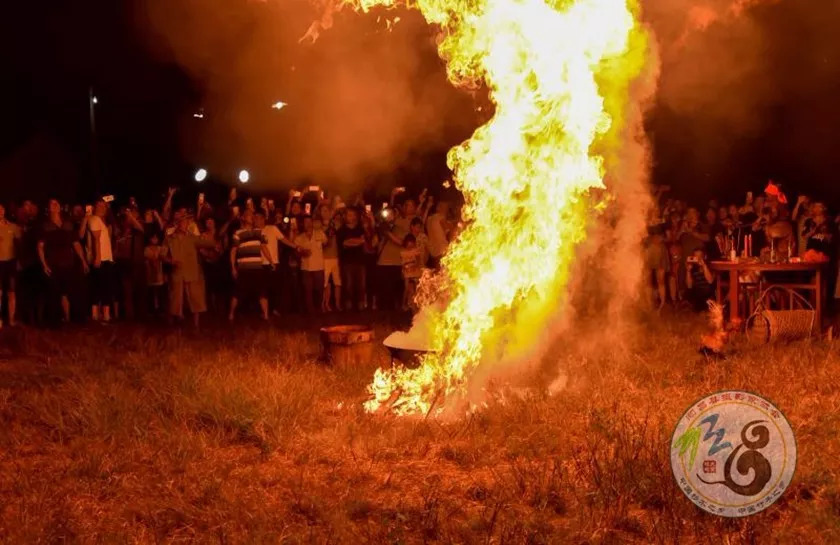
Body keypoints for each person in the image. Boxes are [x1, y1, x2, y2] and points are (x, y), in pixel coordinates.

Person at [37, 199, 88, 324]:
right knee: (54, 294)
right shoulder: (45, 225)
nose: (55, 205)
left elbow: (76, 244)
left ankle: (72, 320)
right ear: (49, 208)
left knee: (71, 292)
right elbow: (40, 246)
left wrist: (83, 261)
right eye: (52, 204)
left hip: (68, 263)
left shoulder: (68, 224)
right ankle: (54, 322)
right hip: (53, 263)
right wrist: (44, 264)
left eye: (57, 203)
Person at [164, 213, 216, 328]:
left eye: (187, 222)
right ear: (177, 224)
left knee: (196, 299)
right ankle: (173, 327)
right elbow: (162, 255)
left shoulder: (192, 238)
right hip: (177, 273)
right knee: (175, 301)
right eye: (183, 222)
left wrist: (211, 232)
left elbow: (210, 244)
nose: (186, 224)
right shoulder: (170, 239)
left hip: (191, 273)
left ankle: (196, 326)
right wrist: (171, 261)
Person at [229, 209, 271, 321]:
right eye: (248, 215)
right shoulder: (238, 233)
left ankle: (266, 316)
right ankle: (231, 315)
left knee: (262, 292)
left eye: (252, 215)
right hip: (244, 269)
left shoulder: (259, 232)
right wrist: (233, 267)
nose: (251, 217)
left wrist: (271, 261)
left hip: (257, 268)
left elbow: (264, 247)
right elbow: (233, 251)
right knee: (237, 293)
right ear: (243, 218)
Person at [376, 197, 417, 310]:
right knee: (385, 290)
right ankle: (385, 314)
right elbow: (398, 241)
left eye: (392, 213)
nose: (389, 215)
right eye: (387, 213)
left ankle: (396, 312)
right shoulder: (384, 225)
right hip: (384, 262)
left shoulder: (405, 222)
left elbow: (406, 242)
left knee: (397, 289)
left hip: (399, 261)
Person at [84, 200, 116, 322]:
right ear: (95, 207)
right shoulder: (94, 219)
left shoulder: (102, 221)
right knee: (100, 287)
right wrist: (98, 257)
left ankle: (100, 314)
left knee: (103, 286)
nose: (102, 208)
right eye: (99, 206)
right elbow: (96, 239)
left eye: (104, 206)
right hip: (101, 259)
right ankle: (100, 315)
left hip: (106, 258)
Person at [337, 207, 369, 311]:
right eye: (349, 215)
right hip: (347, 262)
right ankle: (348, 305)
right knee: (348, 285)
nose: (351, 217)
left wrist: (352, 241)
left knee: (361, 285)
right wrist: (358, 241)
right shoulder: (341, 230)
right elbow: (345, 243)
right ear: (345, 216)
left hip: (360, 261)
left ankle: (360, 304)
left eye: (353, 215)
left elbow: (364, 241)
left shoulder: (360, 229)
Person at [295, 216, 327, 314]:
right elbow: (297, 252)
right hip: (306, 268)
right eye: (306, 222)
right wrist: (303, 252)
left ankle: (318, 308)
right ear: (303, 224)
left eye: (309, 222)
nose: (308, 224)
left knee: (319, 290)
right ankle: (310, 312)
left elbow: (326, 243)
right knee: (308, 291)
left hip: (318, 267)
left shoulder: (320, 233)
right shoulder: (299, 238)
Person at [0, 204, 22, 328]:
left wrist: (19, 261)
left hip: (11, 262)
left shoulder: (12, 227)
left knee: (12, 292)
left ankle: (11, 319)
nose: (0, 211)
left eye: (2, 209)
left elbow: (19, 245)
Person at [320, 204, 342, 312]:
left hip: (336, 257)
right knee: (325, 283)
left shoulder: (336, 224)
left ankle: (337, 305)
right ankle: (325, 304)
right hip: (325, 258)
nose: (325, 213)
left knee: (337, 283)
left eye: (326, 210)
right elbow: (325, 241)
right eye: (323, 211)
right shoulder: (319, 226)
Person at [144, 233, 166, 317]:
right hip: (150, 274)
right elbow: (148, 258)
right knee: (151, 292)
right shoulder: (146, 249)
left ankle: (160, 308)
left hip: (159, 273)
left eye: (156, 238)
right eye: (153, 238)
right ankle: (152, 309)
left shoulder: (160, 248)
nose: (154, 240)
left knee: (159, 292)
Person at [400, 234, 422, 311]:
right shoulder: (403, 252)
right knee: (406, 288)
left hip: (415, 271)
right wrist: (406, 268)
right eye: (408, 246)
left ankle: (417, 305)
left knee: (417, 288)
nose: (410, 247)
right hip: (407, 271)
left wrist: (414, 266)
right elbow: (402, 264)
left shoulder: (416, 251)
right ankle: (403, 304)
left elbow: (418, 262)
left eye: (412, 246)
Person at [426, 200, 451, 269]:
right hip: (442, 248)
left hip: (433, 251)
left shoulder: (429, 219)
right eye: (445, 208)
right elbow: (448, 231)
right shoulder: (441, 217)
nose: (446, 210)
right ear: (439, 208)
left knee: (439, 272)